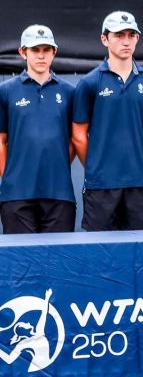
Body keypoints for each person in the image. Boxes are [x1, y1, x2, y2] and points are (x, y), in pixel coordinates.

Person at [71, 11, 143, 231]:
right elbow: (79, 135)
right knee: (99, 248)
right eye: (119, 35)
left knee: (141, 249)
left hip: (139, 182)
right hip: (101, 186)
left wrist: (132, 157)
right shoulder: (89, 83)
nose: (126, 41)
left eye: (131, 35)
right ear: (105, 39)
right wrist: (97, 165)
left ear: (137, 38)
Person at [0, 25, 76, 234]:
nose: (41, 55)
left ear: (54, 52)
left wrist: (56, 165)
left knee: (59, 255)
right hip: (17, 196)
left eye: (46, 50)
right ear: (23, 52)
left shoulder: (69, 92)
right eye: (35, 50)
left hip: (59, 193)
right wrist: (12, 177)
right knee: (21, 255)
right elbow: (1, 141)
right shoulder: (5, 91)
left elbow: (74, 140)